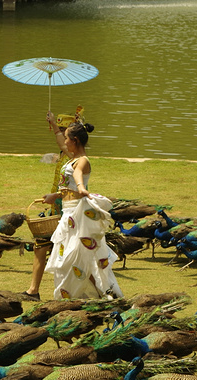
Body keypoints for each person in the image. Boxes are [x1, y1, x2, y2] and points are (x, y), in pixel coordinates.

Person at [43, 120, 123, 300]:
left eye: (67, 139)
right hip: (68, 212)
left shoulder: (82, 161)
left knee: (84, 256)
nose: (65, 142)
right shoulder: (71, 158)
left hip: (79, 213)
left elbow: (78, 175)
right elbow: (67, 185)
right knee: (69, 257)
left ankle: (105, 294)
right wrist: (54, 196)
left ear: (75, 140)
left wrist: (81, 187)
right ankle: (74, 296)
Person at [21, 109, 79, 300]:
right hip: (58, 207)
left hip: (68, 209)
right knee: (41, 245)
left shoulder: (74, 157)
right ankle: (33, 290)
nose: (63, 136)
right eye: (61, 130)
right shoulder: (66, 155)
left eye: (66, 132)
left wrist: (54, 124)